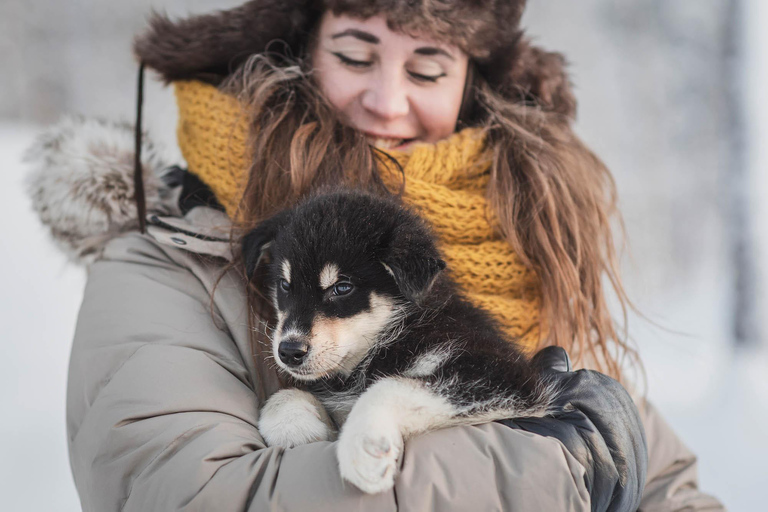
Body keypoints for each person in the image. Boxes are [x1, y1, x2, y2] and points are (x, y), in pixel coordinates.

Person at [26, 0, 726, 510]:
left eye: (427, 68)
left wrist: (600, 461)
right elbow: (188, 496)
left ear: (470, 88)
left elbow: (659, 479)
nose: (387, 102)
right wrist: (551, 468)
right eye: (356, 56)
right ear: (293, 52)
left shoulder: (513, 241)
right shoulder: (172, 262)